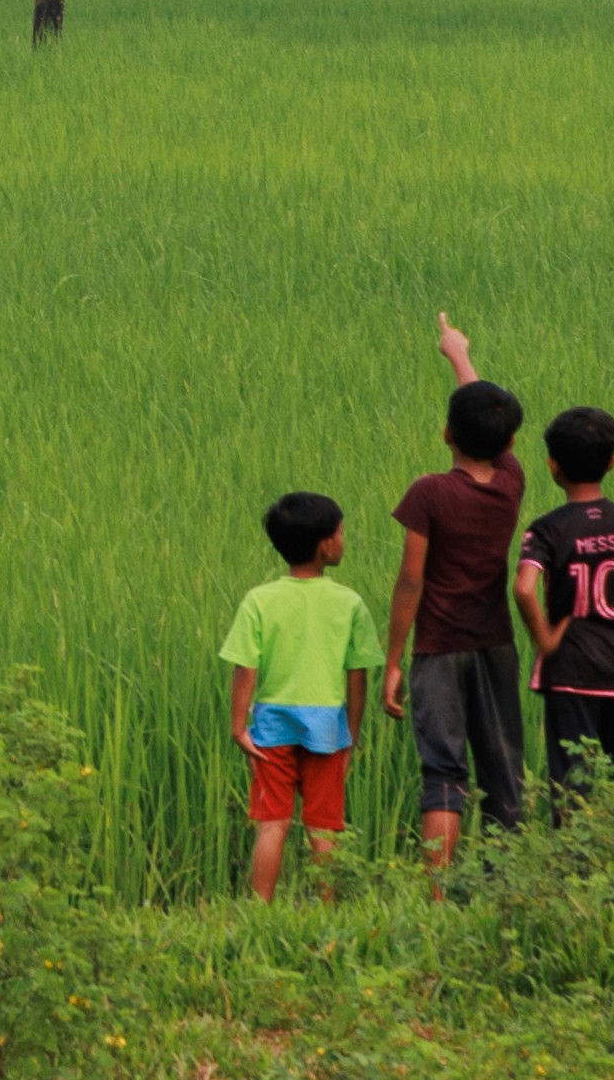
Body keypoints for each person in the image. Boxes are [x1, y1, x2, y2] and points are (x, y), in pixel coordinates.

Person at [381, 313, 533, 874]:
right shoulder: (513, 482)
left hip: (439, 649)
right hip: (495, 644)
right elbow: (486, 412)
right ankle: (506, 887)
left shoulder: (430, 492)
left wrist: (393, 660)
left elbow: (411, 581)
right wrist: (460, 356)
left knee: (444, 772)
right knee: (503, 768)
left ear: (446, 433)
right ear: (511, 442)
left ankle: (437, 898)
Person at [221, 491, 374, 899]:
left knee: (273, 824)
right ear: (326, 545)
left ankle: (260, 908)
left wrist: (239, 728)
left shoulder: (260, 600)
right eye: (341, 533)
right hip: (327, 728)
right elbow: (357, 678)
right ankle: (326, 913)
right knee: (323, 827)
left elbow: (245, 668)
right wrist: (351, 736)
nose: (343, 540)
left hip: (271, 726)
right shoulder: (350, 604)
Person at [519, 402, 614, 808]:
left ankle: (574, 869)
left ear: (552, 465)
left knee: (573, 787)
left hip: (573, 674)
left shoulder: (549, 528)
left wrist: (545, 638)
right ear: (612, 461)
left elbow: (524, 588)